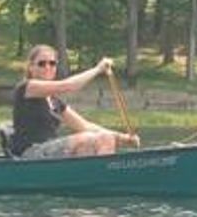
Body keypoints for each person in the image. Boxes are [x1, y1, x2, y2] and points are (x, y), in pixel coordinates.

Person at [9, 44, 140, 159]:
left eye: (52, 63)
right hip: (31, 154)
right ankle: (102, 178)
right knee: (102, 138)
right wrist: (98, 69)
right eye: (42, 63)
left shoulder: (54, 101)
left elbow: (85, 126)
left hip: (49, 153)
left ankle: (94, 180)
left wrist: (124, 138)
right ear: (31, 67)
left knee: (99, 140)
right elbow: (69, 86)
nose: (48, 67)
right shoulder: (28, 88)